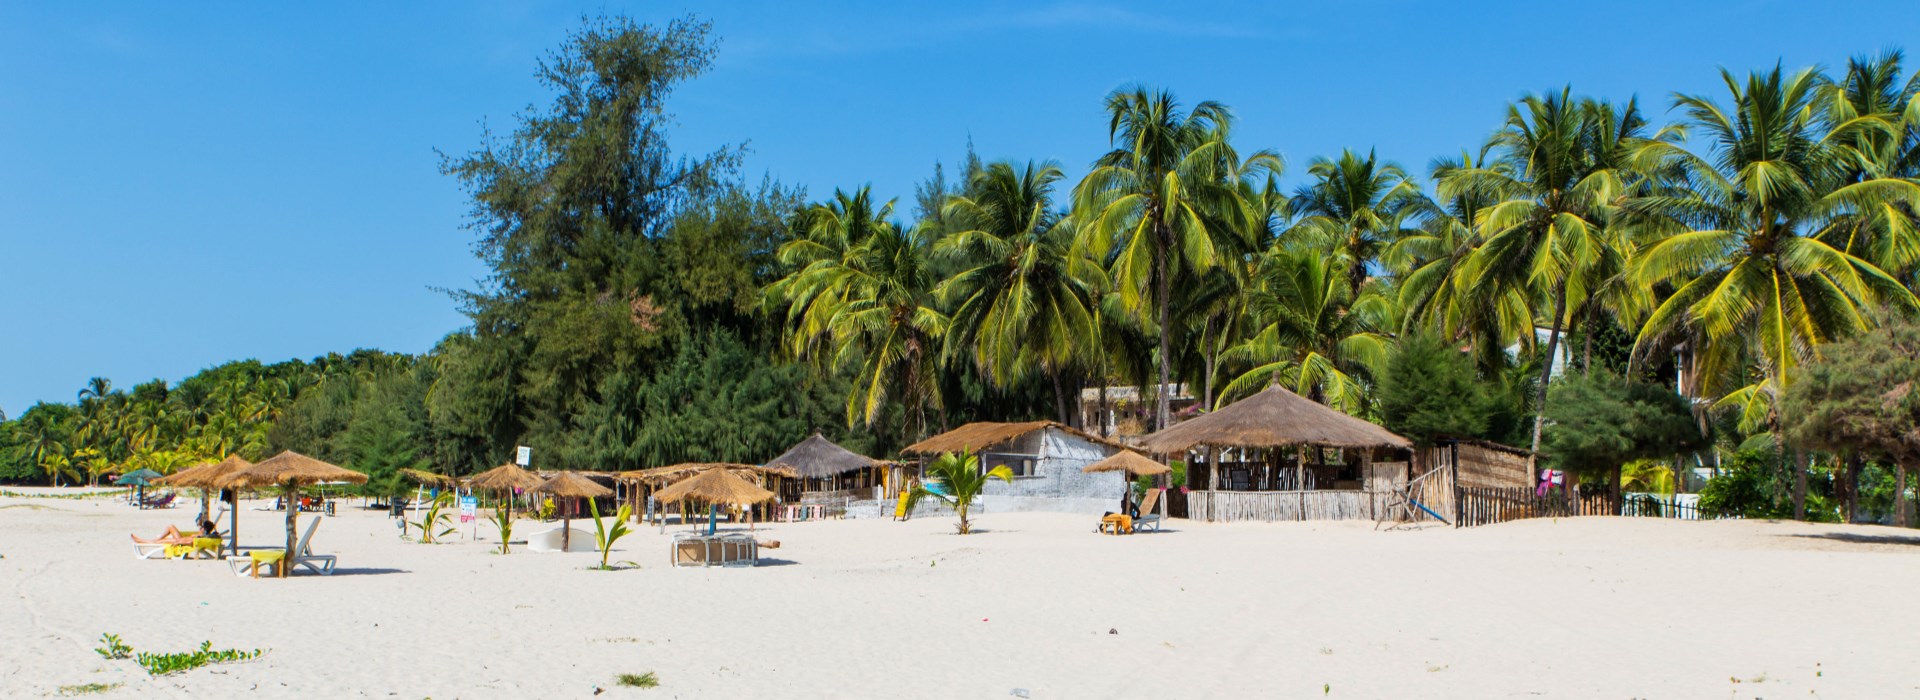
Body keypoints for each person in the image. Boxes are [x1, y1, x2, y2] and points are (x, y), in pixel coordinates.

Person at [136, 518, 219, 545]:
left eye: (201, 527)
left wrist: (178, 542)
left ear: (204, 529)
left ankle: (142, 541)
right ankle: (144, 540)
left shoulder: (199, 537)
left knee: (159, 541)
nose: (199, 528)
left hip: (178, 541)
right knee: (170, 526)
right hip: (180, 539)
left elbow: (189, 541)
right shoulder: (201, 535)